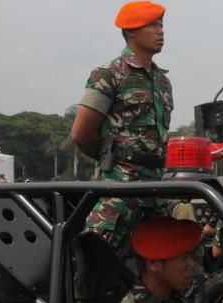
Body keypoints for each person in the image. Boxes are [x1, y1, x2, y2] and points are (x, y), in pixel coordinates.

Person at [72, 1, 173, 255]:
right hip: (118, 192)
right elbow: (81, 134)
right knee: (98, 270)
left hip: (156, 192)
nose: (160, 31)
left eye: (161, 25)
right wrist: (116, 162)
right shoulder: (108, 74)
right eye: (153, 25)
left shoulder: (162, 82)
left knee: (158, 273)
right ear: (131, 31)